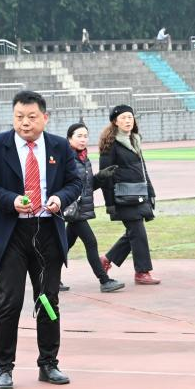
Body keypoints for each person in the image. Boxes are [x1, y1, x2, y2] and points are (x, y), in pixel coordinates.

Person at [0, 90, 81, 389]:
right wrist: (10, 200)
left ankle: (48, 363)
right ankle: (3, 367)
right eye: (19, 117)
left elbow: (75, 181)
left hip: (47, 232)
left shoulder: (59, 146)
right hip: (12, 234)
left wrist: (60, 198)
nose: (25, 123)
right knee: (10, 301)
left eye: (31, 117)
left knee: (48, 300)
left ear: (44, 117)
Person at [98, 105, 161, 285]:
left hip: (139, 193)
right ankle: (142, 272)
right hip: (123, 197)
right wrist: (109, 203)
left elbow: (142, 169)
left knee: (134, 232)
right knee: (138, 232)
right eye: (123, 117)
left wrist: (151, 191)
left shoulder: (134, 140)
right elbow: (105, 176)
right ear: (115, 121)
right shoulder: (110, 144)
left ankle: (106, 260)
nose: (128, 120)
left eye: (130, 117)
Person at [61, 122, 124, 293]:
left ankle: (49, 277)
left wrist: (101, 177)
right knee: (91, 242)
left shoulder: (84, 158)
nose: (83, 140)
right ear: (69, 139)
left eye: (85, 136)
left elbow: (87, 186)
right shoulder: (66, 159)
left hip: (80, 208)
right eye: (79, 136)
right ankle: (104, 280)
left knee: (64, 245)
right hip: (74, 208)